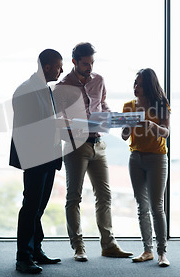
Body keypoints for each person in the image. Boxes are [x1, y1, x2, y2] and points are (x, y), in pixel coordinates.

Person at [54, 42, 132, 262]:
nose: (89, 67)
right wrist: (72, 126)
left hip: (99, 143)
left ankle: (109, 244)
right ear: (75, 62)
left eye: (92, 63)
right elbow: (58, 120)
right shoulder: (62, 88)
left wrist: (113, 118)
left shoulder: (99, 81)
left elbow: (103, 106)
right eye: (85, 63)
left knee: (105, 195)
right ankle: (78, 247)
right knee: (74, 197)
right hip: (75, 145)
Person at [10, 49, 64, 274]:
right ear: (48, 67)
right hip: (34, 157)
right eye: (59, 66)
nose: (62, 70)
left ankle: (36, 250)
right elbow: (27, 127)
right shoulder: (25, 90)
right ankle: (23, 257)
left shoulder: (45, 89)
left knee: (39, 207)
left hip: (48, 157)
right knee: (31, 206)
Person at [121, 68, 171, 267]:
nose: (136, 87)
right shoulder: (128, 106)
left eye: (140, 84)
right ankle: (147, 250)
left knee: (156, 206)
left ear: (148, 86)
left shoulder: (161, 105)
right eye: (135, 83)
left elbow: (166, 133)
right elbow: (125, 136)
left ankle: (162, 252)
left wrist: (150, 124)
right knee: (142, 206)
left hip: (157, 158)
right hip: (136, 158)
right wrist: (127, 126)